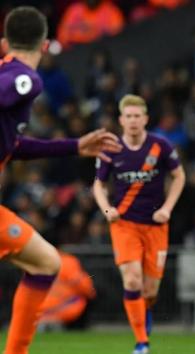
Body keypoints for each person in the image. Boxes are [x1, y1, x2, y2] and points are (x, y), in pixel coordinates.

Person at [0, 7, 121, 354]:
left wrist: (75, 145)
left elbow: (15, 146)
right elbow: (11, 87)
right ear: (45, 44)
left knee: (46, 263)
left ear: (5, 42)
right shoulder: (26, 79)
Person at [92, 94, 186, 354]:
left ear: (145, 119)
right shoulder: (110, 149)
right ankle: (141, 343)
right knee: (132, 281)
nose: (133, 120)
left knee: (149, 290)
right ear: (121, 120)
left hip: (156, 226)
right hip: (125, 224)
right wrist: (107, 209)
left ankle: (144, 319)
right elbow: (98, 185)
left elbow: (179, 176)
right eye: (128, 116)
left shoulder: (161, 146)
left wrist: (167, 208)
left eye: (137, 116)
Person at [38, 251, 96, 328]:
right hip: (64, 310)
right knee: (82, 297)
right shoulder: (67, 261)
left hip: (38, 311)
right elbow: (86, 288)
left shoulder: (35, 261)